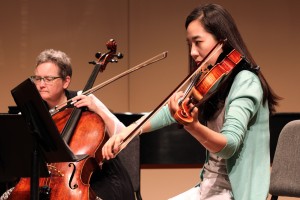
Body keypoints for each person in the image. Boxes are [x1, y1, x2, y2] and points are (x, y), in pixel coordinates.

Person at [102, 3, 281, 200]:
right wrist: (129, 131)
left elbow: (229, 146)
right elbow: (169, 112)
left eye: (198, 42)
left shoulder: (246, 81)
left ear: (222, 40)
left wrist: (194, 126)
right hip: (208, 189)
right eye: (190, 44)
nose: (193, 52)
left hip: (237, 194)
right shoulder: (211, 77)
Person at [0, 49, 135, 200]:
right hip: (49, 179)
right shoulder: (34, 110)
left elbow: (123, 134)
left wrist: (96, 109)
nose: (41, 85)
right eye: (37, 79)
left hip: (97, 179)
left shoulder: (84, 99)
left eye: (48, 79)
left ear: (66, 81)